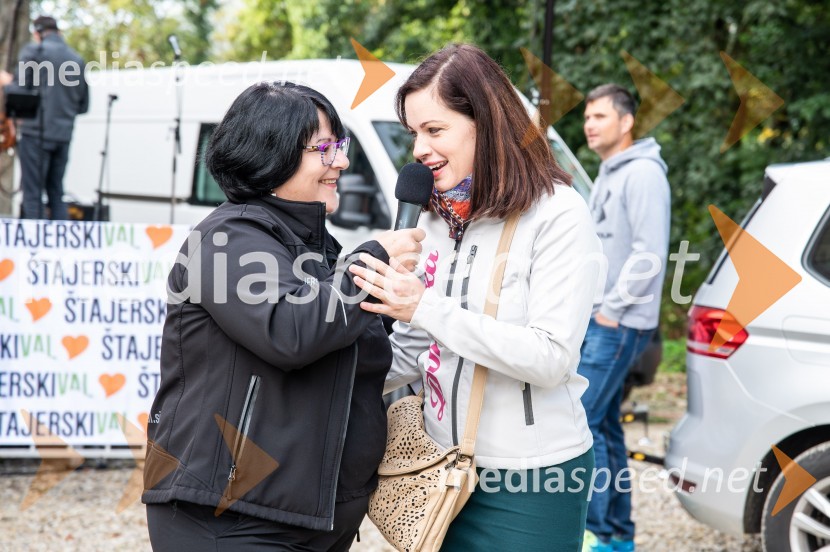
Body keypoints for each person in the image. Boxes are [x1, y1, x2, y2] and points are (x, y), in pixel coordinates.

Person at [142, 81, 425, 551]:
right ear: (268, 153)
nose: (342, 161)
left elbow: (349, 350)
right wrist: (371, 262)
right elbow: (291, 332)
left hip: (316, 517)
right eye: (325, 148)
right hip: (230, 517)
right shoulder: (225, 238)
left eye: (341, 145)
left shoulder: (319, 249)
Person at [349, 44, 601, 551]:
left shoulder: (559, 215)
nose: (419, 149)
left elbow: (550, 358)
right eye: (414, 133)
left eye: (434, 130)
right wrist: (328, 374)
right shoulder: (436, 218)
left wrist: (424, 305)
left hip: (532, 479)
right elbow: (418, 349)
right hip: (440, 469)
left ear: (485, 123)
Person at [579, 84, 671, 552]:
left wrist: (612, 310)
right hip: (601, 317)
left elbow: (649, 254)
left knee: (581, 420)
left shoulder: (643, 175)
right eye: (587, 117)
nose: (589, 124)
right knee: (607, 425)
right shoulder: (610, 173)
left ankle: (599, 531)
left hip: (619, 322)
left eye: (599, 116)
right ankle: (616, 536)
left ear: (627, 121)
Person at [4, 15, 88, 220]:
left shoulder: (34, 52)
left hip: (36, 134)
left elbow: (19, 93)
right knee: (56, 193)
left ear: (37, 33)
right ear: (58, 31)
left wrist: (7, 82)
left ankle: (35, 249)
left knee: (32, 195)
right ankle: (61, 250)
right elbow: (84, 106)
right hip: (64, 136)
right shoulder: (77, 59)